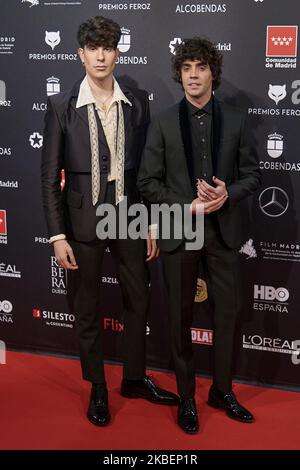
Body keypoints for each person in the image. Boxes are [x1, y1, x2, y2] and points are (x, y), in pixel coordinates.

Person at [41, 15, 178, 427]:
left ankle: (134, 378)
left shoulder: (137, 102)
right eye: (93, 48)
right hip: (82, 220)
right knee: (86, 306)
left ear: (118, 52)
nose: (101, 56)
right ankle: (98, 386)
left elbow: (147, 172)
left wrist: (152, 223)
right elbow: (49, 177)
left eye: (109, 47)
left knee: (139, 299)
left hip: (130, 214)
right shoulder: (62, 106)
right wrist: (57, 235)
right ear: (81, 54)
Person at [138, 37, 261, 434]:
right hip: (179, 231)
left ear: (213, 74)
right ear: (180, 75)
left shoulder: (238, 120)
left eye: (201, 67)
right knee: (179, 318)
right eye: (187, 68)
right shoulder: (161, 121)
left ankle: (222, 390)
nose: (193, 75)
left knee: (228, 314)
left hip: (223, 233)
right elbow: (147, 182)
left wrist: (228, 194)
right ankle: (188, 396)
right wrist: (186, 204)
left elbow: (252, 177)